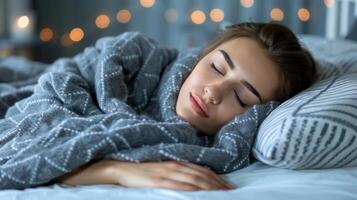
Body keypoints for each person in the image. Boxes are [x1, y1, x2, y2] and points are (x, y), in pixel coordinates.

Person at [52, 21, 316, 191]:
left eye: (242, 98)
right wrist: (116, 170)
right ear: (201, 56)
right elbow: (26, 142)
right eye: (216, 67)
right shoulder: (135, 58)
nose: (213, 91)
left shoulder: (221, 152)